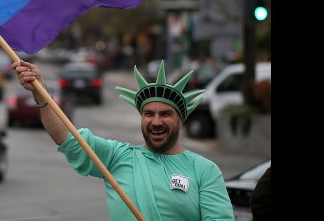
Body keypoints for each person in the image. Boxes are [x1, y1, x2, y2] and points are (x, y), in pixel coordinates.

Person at [13, 59, 235, 220]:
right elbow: (65, 136)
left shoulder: (204, 170)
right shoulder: (117, 157)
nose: (156, 121)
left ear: (180, 121)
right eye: (149, 114)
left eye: (166, 114)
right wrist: (40, 93)